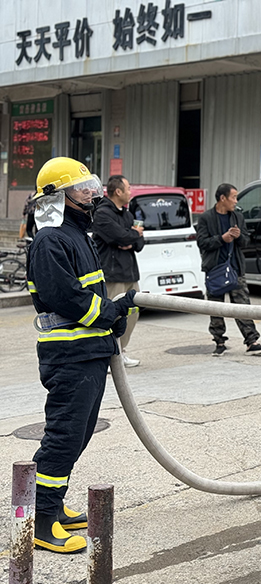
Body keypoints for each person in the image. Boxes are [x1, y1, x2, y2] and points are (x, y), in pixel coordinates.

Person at [26, 157, 138, 553]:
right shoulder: (50, 239)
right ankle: (41, 521)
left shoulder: (76, 234)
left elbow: (90, 292)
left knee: (79, 433)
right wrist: (109, 313)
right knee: (64, 435)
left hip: (88, 350)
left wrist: (112, 320)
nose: (91, 195)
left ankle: (53, 506)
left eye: (91, 186)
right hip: (69, 354)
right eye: (81, 189)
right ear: (57, 197)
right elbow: (66, 297)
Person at [196, 183, 261, 356]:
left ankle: (252, 342)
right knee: (215, 307)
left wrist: (238, 236)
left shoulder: (237, 217)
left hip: (235, 268)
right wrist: (222, 239)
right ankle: (219, 342)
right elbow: (202, 242)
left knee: (243, 306)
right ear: (222, 198)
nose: (236, 201)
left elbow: (246, 241)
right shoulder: (206, 217)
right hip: (214, 269)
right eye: (233, 197)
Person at [92, 175, 144, 367]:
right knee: (112, 315)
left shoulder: (128, 215)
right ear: (118, 191)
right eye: (128, 188)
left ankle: (120, 351)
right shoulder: (102, 214)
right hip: (112, 275)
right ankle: (107, 357)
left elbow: (139, 243)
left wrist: (131, 239)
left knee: (133, 314)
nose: (130, 192)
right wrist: (132, 236)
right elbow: (119, 236)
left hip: (130, 273)